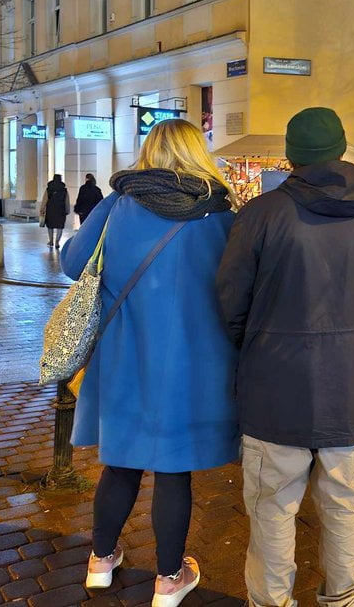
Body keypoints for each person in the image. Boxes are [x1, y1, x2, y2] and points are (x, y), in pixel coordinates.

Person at [216, 107, 354, 607]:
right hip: (348, 388)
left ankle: (271, 601)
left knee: (272, 509)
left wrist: (256, 344)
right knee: (345, 508)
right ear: (342, 148)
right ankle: (344, 598)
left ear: (292, 157)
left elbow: (232, 300)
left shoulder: (260, 215)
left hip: (274, 386)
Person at [60, 119, 239, 607]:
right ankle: (168, 579)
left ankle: (100, 560)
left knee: (120, 463)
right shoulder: (220, 213)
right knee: (173, 469)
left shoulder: (117, 205)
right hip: (193, 363)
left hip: (125, 355)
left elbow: (73, 264)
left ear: (149, 152)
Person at [39, 174, 70, 248]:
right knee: (60, 226)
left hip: (50, 210)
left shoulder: (49, 189)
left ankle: (51, 241)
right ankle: (57, 242)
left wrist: (42, 209)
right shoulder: (64, 190)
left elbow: (44, 200)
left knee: (50, 226)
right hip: (61, 210)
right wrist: (67, 210)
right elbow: (67, 201)